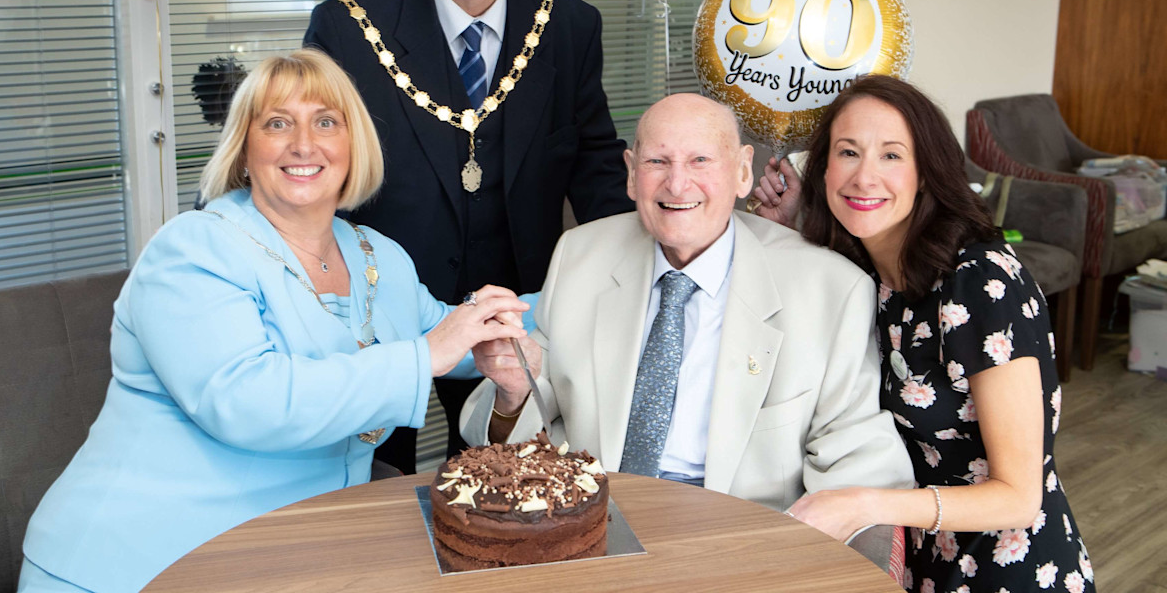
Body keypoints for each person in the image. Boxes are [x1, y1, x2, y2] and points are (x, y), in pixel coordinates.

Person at [18, 49, 529, 593]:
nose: (303, 144)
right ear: (244, 149)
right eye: (277, 123)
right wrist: (428, 353)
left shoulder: (378, 255)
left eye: (326, 122)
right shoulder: (193, 249)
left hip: (289, 556)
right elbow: (246, 401)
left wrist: (533, 319)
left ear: (353, 145)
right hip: (136, 561)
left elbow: (454, 334)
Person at [463, 94, 914, 559]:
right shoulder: (580, 256)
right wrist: (514, 391)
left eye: (701, 160)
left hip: (741, 543)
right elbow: (515, 433)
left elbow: (857, 461)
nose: (677, 184)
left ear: (742, 172)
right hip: (589, 530)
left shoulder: (830, 288)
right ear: (631, 174)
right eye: (657, 162)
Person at [304, 0, 631, 473]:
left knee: (502, 478)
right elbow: (313, 172)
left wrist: (636, 267)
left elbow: (594, 161)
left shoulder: (569, 24)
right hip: (378, 311)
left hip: (517, 310)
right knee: (366, 482)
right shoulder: (347, 26)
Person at [748, 75, 1095, 592]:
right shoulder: (866, 272)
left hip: (1011, 568)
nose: (865, 176)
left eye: (891, 155)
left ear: (926, 174)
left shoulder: (980, 283)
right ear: (822, 169)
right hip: (920, 561)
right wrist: (791, 228)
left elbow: (1019, 496)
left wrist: (862, 504)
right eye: (848, 152)